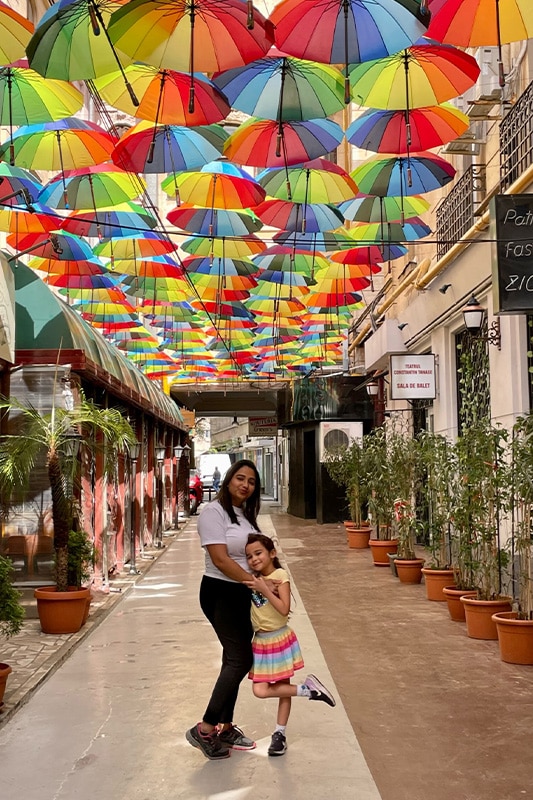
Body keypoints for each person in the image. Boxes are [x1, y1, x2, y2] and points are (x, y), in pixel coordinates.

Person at [186, 459, 262, 760]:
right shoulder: (212, 512)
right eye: (240, 478)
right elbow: (219, 559)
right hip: (220, 592)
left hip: (242, 592)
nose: (245, 485)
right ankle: (205, 729)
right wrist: (255, 583)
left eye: (252, 481)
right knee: (241, 659)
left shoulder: (246, 514)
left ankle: (226, 726)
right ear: (229, 480)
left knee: (233, 658)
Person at [243, 533, 336, 758]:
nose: (254, 559)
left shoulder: (280, 575)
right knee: (261, 690)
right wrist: (259, 584)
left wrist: (264, 588)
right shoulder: (254, 578)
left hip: (279, 638)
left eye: (258, 553)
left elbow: (284, 609)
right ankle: (309, 690)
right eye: (249, 556)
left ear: (272, 553)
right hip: (261, 642)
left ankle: (280, 734)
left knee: (281, 688)